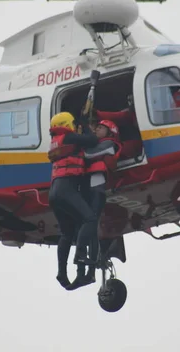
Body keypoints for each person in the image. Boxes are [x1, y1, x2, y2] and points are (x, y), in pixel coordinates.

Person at [66, 119, 122, 290]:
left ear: (110, 132)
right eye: (96, 127)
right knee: (90, 229)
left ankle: (87, 268)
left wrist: (84, 137)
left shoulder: (108, 144)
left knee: (90, 225)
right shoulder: (98, 143)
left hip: (96, 190)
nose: (97, 129)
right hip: (87, 189)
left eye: (101, 128)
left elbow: (88, 155)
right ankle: (88, 272)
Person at [47, 111, 99, 289]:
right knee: (90, 219)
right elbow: (92, 141)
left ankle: (62, 272)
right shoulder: (69, 137)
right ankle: (79, 256)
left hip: (54, 193)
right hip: (66, 189)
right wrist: (85, 125)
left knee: (66, 234)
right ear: (67, 124)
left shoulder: (56, 141)